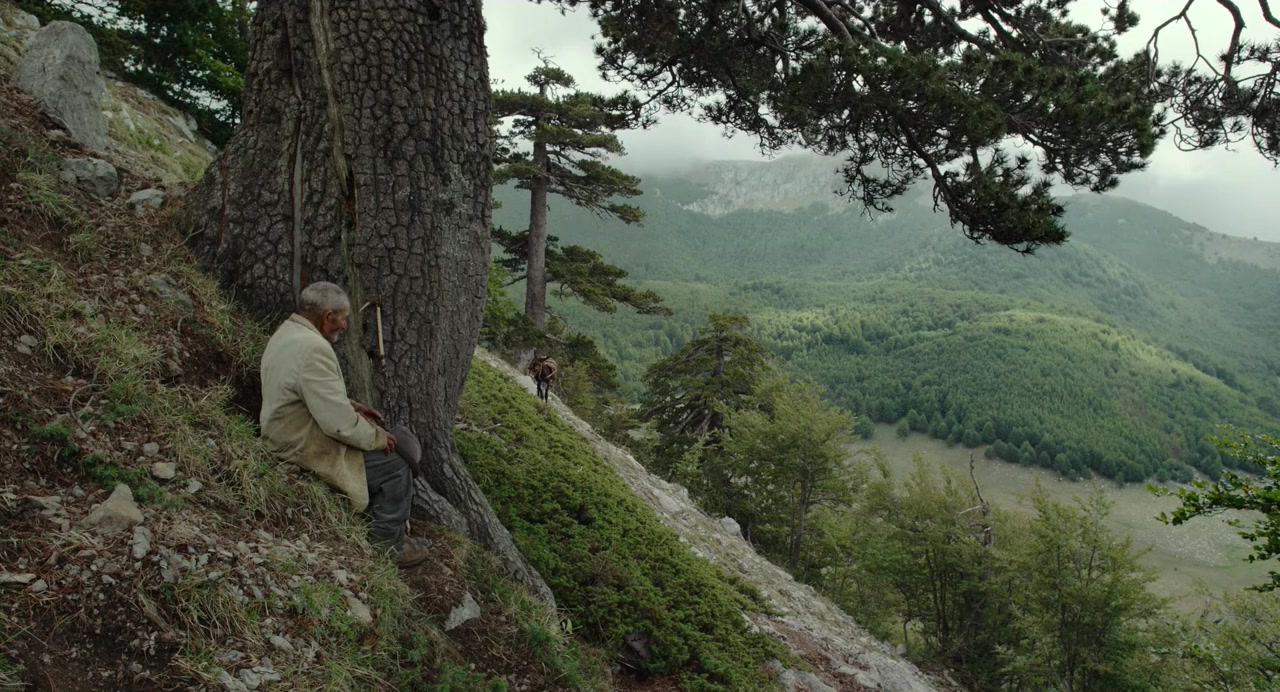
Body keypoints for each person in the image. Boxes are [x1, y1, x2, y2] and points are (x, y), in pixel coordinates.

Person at [258, 281, 429, 568]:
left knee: (391, 451)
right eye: (343, 318)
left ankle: (383, 530)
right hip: (301, 445)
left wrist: (352, 406)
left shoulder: (288, 333)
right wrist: (377, 437)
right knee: (397, 465)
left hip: (285, 432)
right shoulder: (314, 348)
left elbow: (305, 390)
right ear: (328, 317)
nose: (345, 325)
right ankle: (388, 546)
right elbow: (338, 425)